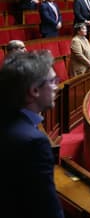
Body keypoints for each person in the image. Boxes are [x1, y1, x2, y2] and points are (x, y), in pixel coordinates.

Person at [0, 50, 65, 218]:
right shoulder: (34, 143)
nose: (57, 86)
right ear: (35, 91)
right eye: (52, 81)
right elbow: (47, 209)